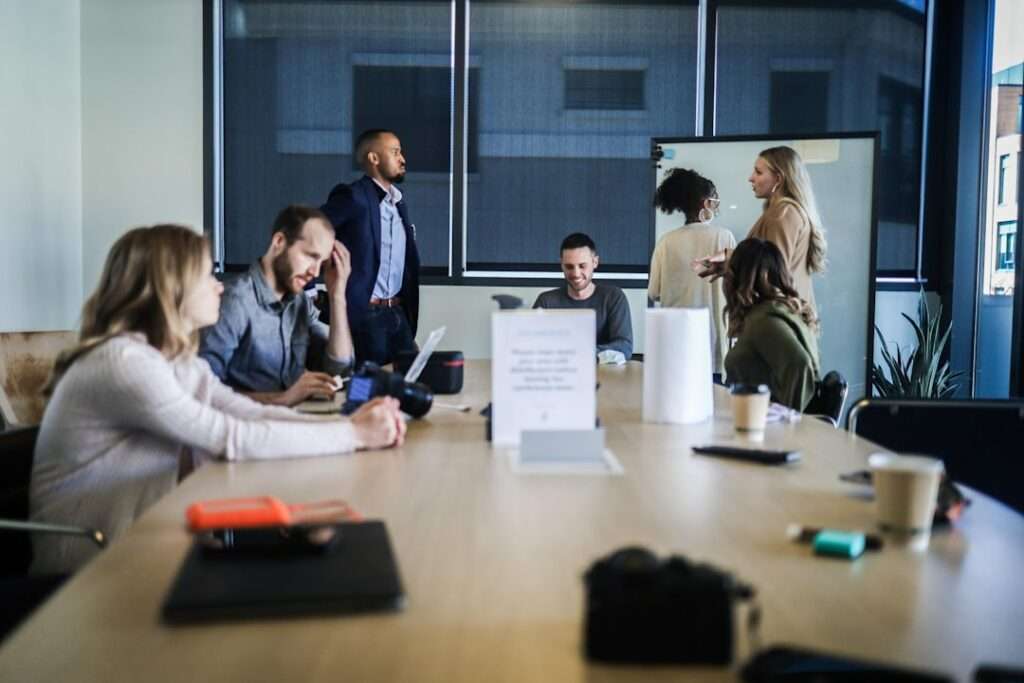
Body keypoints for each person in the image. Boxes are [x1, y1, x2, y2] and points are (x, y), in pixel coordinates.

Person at [30, 225, 405, 575]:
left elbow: (250, 413)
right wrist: (355, 436)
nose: (219, 287)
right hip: (87, 571)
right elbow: (231, 437)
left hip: (140, 545)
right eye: (207, 276)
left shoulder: (170, 361)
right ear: (170, 287)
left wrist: (348, 429)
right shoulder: (125, 363)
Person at [199, 205, 354, 406]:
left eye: (322, 264)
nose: (315, 273)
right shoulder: (235, 301)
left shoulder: (299, 302)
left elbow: (339, 369)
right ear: (279, 242)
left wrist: (338, 295)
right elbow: (202, 392)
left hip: (286, 422)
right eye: (310, 256)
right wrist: (281, 399)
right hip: (246, 428)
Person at [321, 129, 420, 366]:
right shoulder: (353, 196)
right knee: (366, 387)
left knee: (410, 381)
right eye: (395, 152)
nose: (402, 159)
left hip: (397, 312)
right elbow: (311, 230)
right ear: (374, 158)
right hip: (366, 314)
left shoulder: (397, 202)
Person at [695, 146, 827, 315]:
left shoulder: (782, 214)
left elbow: (774, 272)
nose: (751, 178)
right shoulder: (784, 212)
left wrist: (731, 262)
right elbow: (767, 262)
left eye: (758, 172)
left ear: (778, 178)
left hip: (779, 321)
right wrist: (729, 260)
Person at [649, 168, 737, 374]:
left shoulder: (666, 242)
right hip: (714, 343)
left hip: (676, 343)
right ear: (704, 203)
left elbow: (654, 292)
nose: (717, 203)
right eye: (714, 198)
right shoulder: (724, 238)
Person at [722, 238, 820, 411]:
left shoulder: (764, 320)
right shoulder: (779, 312)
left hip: (762, 426)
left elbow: (800, 364)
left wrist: (786, 419)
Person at [533, 232, 633, 360]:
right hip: (559, 375)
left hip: (606, 377)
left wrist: (576, 353)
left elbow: (624, 347)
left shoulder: (614, 297)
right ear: (561, 265)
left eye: (582, 266)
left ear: (595, 262)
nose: (576, 273)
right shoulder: (546, 302)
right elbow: (531, 346)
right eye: (569, 267)